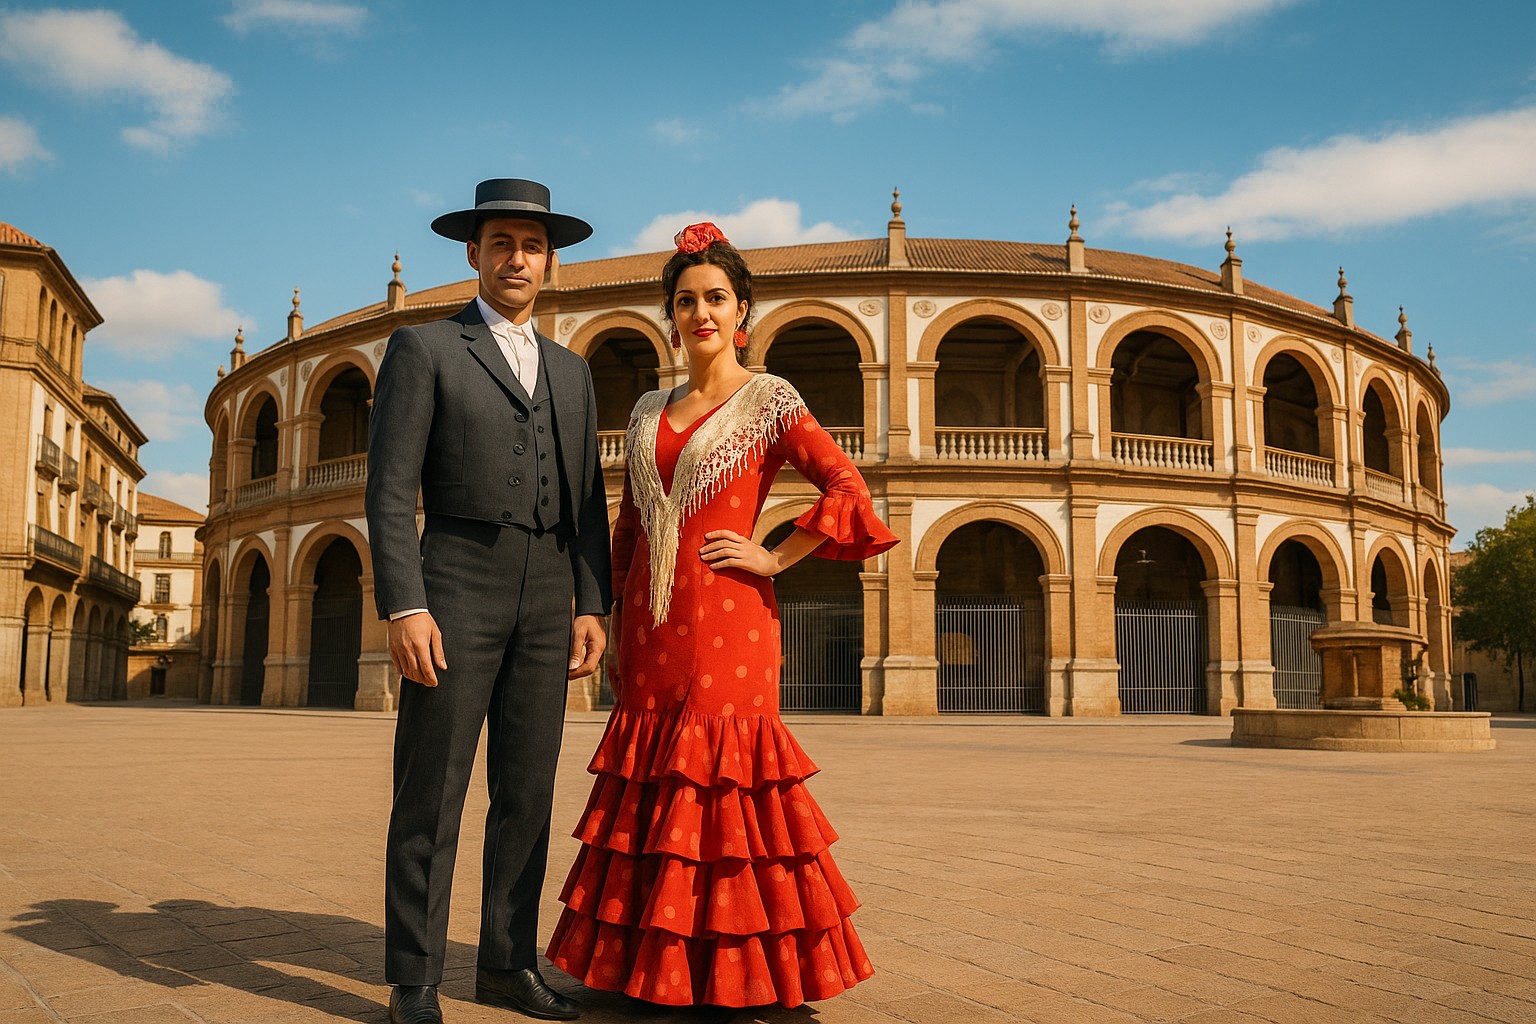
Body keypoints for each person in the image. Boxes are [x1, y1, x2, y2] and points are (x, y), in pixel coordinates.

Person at [545, 222, 898, 1008]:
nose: (700, 312)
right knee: (651, 778)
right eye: (685, 300)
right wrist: (601, 614)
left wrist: (774, 555)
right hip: (649, 623)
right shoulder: (644, 408)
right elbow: (630, 527)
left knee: (723, 784)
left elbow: (847, 488)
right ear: (670, 314)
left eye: (715, 298)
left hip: (730, 621)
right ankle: (645, 966)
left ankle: (741, 971)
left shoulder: (771, 399)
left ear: (743, 309)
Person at [366, 178, 612, 1024]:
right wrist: (406, 605)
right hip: (455, 585)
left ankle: (508, 966)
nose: (517, 258)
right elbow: (390, 489)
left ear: (551, 262)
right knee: (431, 790)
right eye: (501, 242)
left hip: (549, 594)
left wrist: (591, 602)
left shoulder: (575, 372)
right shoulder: (424, 347)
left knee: (528, 792)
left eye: (532, 245)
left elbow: (588, 500)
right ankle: (416, 980)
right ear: (472, 253)